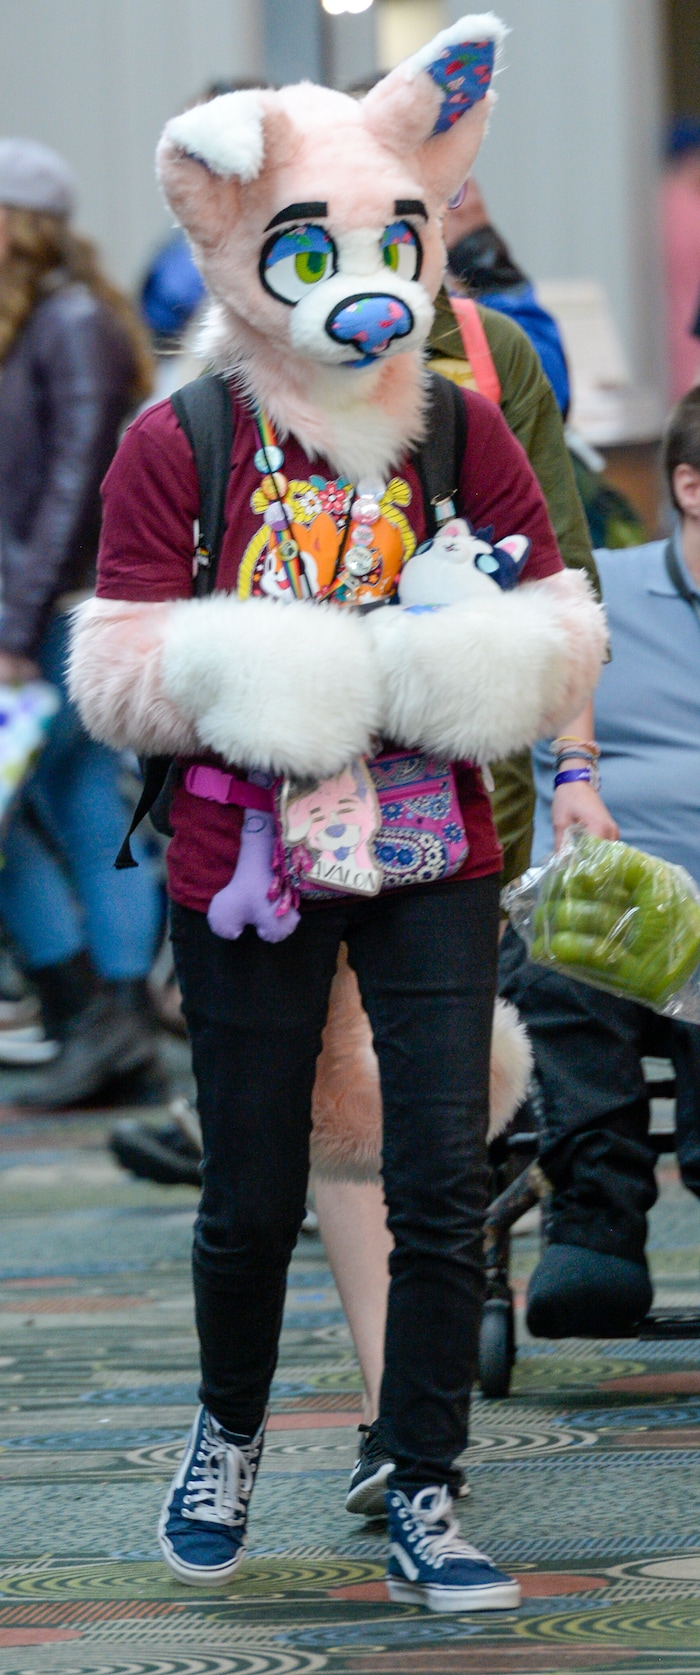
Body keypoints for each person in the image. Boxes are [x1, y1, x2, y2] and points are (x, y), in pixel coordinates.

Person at [69, 18, 606, 1612]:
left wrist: (472, 678)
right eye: (315, 242)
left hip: (436, 841)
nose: (363, 280)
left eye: (391, 237)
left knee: (443, 1173)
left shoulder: (461, 422)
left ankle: (426, 1476)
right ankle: (227, 1427)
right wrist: (291, 672)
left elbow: (559, 603)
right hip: (242, 854)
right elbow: (120, 663)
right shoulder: (184, 439)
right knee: (247, 1183)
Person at [500, 383, 700, 1338]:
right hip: (593, 906)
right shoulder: (600, 594)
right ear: (691, 486)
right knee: (557, 966)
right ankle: (595, 1221)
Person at [0, 138, 162, 1107]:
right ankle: (100, 1019)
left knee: (63, 810)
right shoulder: (37, 325)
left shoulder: (69, 326)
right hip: (33, 614)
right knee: (79, 803)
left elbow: (72, 493)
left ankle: (98, 1011)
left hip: (50, 620)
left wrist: (16, 630)